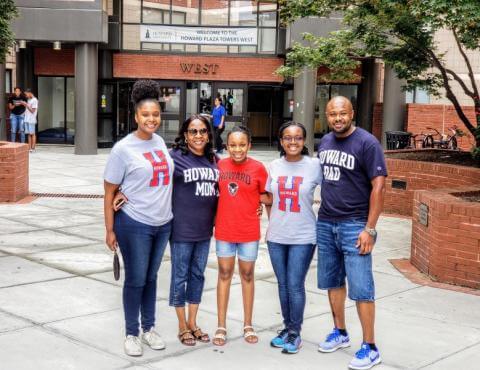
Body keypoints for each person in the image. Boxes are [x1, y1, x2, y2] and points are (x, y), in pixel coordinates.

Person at [103, 80, 174, 357]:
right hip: (134, 224)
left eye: (155, 114)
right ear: (136, 116)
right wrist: (110, 230)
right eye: (146, 115)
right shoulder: (123, 149)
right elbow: (109, 192)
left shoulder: (159, 141)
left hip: (163, 223)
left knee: (152, 277)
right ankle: (132, 333)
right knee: (135, 279)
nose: (151, 119)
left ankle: (149, 328)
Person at [316, 96, 387, 370]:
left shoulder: (367, 143)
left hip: (354, 225)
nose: (337, 118)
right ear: (327, 114)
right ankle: (340, 332)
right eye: (333, 114)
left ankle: (370, 347)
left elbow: (379, 188)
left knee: (361, 288)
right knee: (333, 282)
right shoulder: (325, 141)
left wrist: (370, 229)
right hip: (326, 223)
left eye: (342, 113)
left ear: (352, 113)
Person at [265, 121, 322, 354]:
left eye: (298, 137)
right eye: (287, 138)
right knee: (282, 285)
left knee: (295, 285)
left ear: (304, 141)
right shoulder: (274, 166)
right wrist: (275, 220)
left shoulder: (314, 166)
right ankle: (287, 328)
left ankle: (295, 332)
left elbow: (336, 189)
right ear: (281, 141)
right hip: (277, 235)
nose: (293, 142)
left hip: (304, 235)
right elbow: (268, 198)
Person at [212, 126, 268, 346]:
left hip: (248, 231)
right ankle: (221, 325)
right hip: (225, 229)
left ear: (249, 145)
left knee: (247, 275)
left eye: (242, 145)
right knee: (224, 273)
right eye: (233, 145)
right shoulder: (219, 165)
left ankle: (247, 324)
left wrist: (261, 207)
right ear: (226, 147)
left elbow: (267, 196)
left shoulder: (258, 168)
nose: (237, 149)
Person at [168, 115, 218, 346]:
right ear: (185, 135)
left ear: (209, 134)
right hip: (181, 230)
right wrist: (120, 192)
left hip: (204, 231)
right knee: (180, 277)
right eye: (193, 131)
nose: (198, 136)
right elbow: (149, 174)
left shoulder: (215, 160)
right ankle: (181, 325)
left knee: (198, 275)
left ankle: (193, 322)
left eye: (202, 131)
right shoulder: (174, 157)